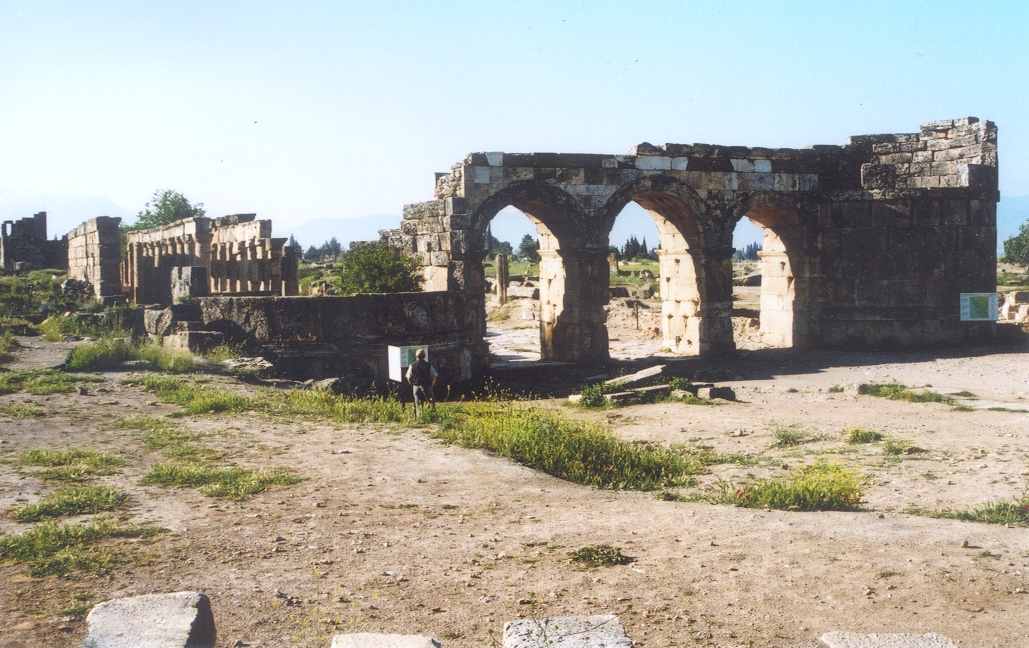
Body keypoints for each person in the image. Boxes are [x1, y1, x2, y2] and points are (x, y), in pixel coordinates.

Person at [405, 348, 438, 416]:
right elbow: (435, 376)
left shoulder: (412, 365)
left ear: (416, 356)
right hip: (427, 386)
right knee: (431, 402)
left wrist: (412, 384)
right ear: (424, 356)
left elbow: (408, 377)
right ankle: (431, 416)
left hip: (416, 386)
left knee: (418, 403)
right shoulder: (429, 365)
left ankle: (420, 417)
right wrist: (432, 385)